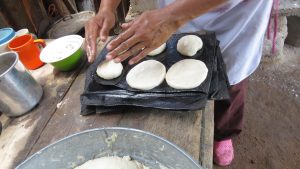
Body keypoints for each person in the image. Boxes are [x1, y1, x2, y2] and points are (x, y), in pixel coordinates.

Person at [85, 0, 273, 166]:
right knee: (179, 72)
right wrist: (107, 7)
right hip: (171, 14)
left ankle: (223, 133)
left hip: (235, 17)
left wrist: (171, 18)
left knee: (231, 81)